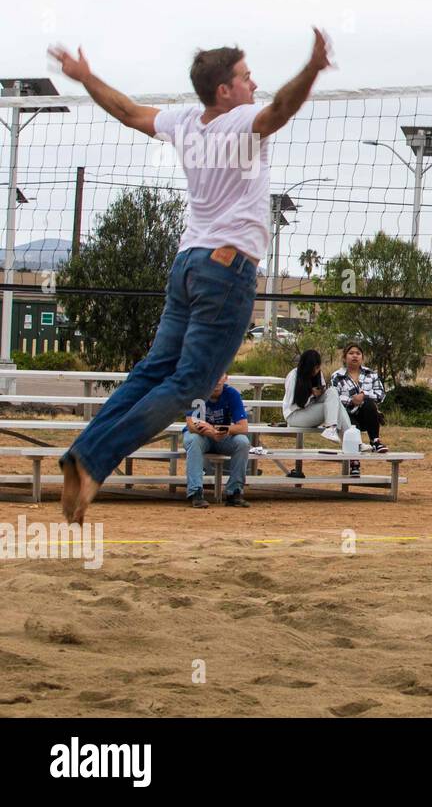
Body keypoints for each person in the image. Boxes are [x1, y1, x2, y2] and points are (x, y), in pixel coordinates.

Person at [48, 30, 332, 523]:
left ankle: (83, 454)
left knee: (151, 373)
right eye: (246, 77)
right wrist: (312, 68)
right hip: (226, 270)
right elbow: (281, 110)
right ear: (225, 90)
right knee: (187, 385)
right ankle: (93, 464)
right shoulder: (242, 121)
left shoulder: (184, 121)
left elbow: (127, 111)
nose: (254, 83)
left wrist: (85, 76)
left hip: (187, 266)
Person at [282, 349, 358, 477]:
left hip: (311, 409)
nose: (317, 370)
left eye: (318, 367)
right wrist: (311, 394)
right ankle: (350, 440)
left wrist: (318, 393)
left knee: (333, 393)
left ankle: (336, 430)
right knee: (333, 406)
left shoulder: (318, 375)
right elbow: (295, 404)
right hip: (295, 415)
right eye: (315, 368)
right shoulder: (294, 376)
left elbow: (325, 397)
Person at [183, 372, 252, 509]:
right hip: (201, 436)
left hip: (221, 436)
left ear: (226, 378)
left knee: (243, 442)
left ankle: (235, 492)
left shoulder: (232, 394)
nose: (217, 380)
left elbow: (243, 427)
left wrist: (216, 430)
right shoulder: (197, 392)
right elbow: (191, 425)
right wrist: (210, 432)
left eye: (220, 375)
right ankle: (195, 492)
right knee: (194, 440)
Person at [330, 343, 388, 453]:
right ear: (344, 357)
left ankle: (375, 442)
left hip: (367, 416)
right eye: (351, 353)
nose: (355, 356)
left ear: (362, 357)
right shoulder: (337, 376)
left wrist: (363, 395)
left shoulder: (371, 374)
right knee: (352, 440)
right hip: (347, 415)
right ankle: (354, 462)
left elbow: (380, 394)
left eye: (358, 353)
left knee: (368, 403)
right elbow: (333, 397)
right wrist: (351, 400)